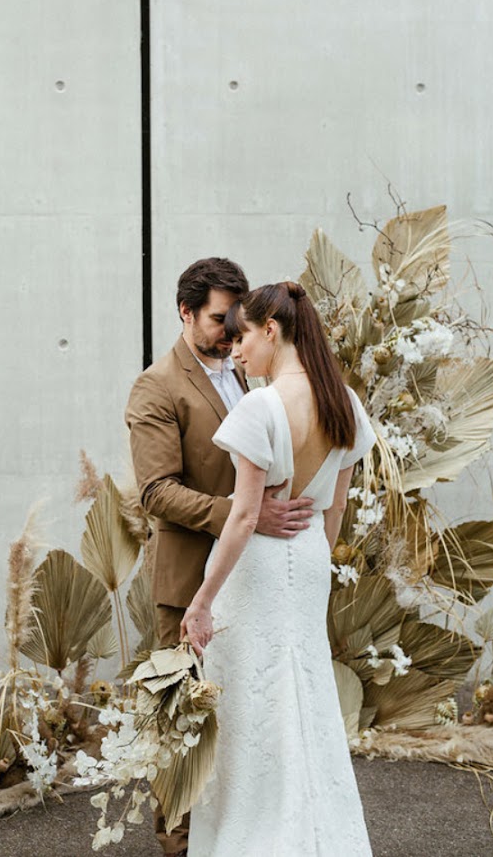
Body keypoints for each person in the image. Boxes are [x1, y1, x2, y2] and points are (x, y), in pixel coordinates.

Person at [125, 260, 315, 857]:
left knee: (243, 734)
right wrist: (244, 513)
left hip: (254, 585)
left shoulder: (256, 377)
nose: (231, 333)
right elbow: (157, 490)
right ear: (184, 313)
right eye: (216, 320)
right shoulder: (157, 386)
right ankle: (178, 848)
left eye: (237, 320)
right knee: (181, 732)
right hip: (188, 584)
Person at [182, 281, 375, 857]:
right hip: (310, 553)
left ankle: (255, 836)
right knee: (305, 691)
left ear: (272, 331)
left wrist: (202, 602)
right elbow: (335, 507)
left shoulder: (260, 406)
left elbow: (243, 518)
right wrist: (313, 555)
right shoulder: (345, 400)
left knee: (251, 699)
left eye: (242, 337)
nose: (235, 350)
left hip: (259, 564)